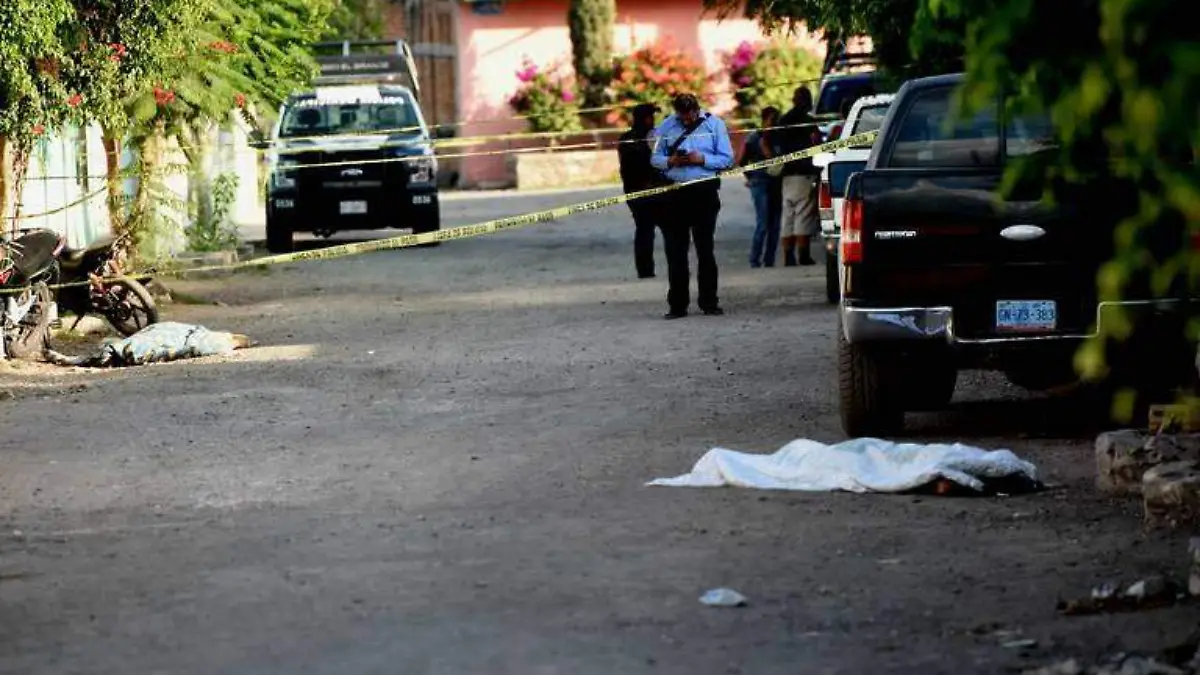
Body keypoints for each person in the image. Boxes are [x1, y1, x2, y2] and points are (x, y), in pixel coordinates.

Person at [649, 93, 735, 319]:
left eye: (690, 116)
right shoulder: (667, 125)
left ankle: (709, 302)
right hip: (675, 193)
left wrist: (702, 159)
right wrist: (670, 161)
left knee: (705, 250)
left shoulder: (715, 125)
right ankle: (677, 305)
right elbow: (655, 158)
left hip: (704, 191)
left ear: (697, 109)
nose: (686, 121)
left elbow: (728, 159)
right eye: (682, 117)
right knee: (676, 251)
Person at [617, 102, 665, 279]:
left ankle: (645, 270)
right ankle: (670, 266)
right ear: (646, 119)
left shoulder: (627, 138)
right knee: (666, 230)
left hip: (637, 191)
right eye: (651, 117)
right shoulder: (648, 139)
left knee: (645, 230)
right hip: (648, 190)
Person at [777, 86, 822, 266]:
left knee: (787, 215)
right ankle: (803, 255)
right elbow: (816, 142)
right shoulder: (808, 121)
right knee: (804, 214)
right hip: (804, 173)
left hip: (787, 174)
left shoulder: (783, 120)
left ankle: (788, 256)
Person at [737, 106, 782, 268]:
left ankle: (769, 259)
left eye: (776, 120)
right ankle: (754, 258)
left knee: (774, 224)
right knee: (762, 223)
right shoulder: (754, 138)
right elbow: (742, 161)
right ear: (764, 120)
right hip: (760, 181)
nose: (774, 123)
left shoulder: (779, 138)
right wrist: (751, 177)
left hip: (776, 183)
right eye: (772, 120)